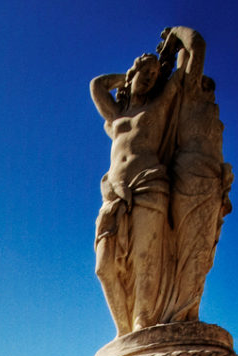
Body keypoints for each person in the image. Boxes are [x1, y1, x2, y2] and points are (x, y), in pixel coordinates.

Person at [90, 27, 208, 336]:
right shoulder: (115, 116)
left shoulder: (160, 105)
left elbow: (196, 48)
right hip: (115, 194)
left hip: (150, 184)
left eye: (154, 74)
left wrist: (176, 38)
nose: (150, 77)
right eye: (145, 72)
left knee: (145, 260)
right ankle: (124, 331)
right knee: (104, 268)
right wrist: (130, 75)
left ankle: (141, 325)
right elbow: (97, 85)